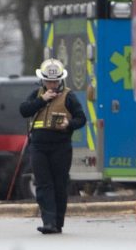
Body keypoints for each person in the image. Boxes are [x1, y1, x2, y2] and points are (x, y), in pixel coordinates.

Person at [18, 58, 87, 235]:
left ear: (60, 80)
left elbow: (81, 119)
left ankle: (57, 222)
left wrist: (69, 123)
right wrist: (42, 100)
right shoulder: (37, 94)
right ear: (43, 80)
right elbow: (24, 110)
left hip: (61, 146)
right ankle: (48, 222)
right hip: (38, 146)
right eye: (49, 81)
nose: (52, 84)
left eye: (55, 81)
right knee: (43, 184)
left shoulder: (69, 96)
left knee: (59, 184)